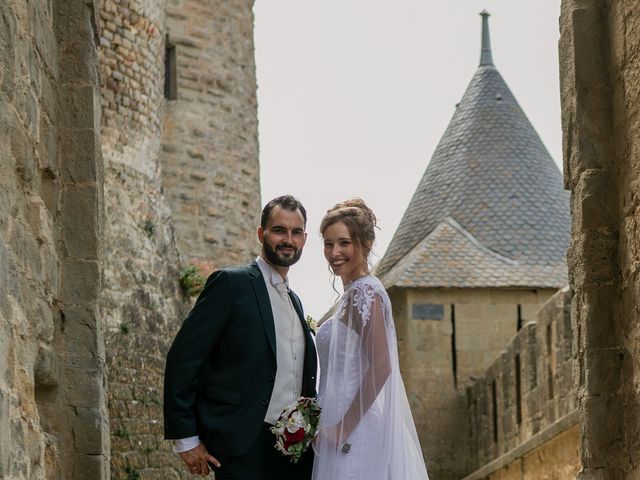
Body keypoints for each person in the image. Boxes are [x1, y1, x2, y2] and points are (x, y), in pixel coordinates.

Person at [163, 195, 318, 479]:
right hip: (241, 446)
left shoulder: (295, 301)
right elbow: (183, 359)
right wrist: (185, 438)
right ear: (261, 234)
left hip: (294, 454)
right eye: (279, 230)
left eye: (296, 232)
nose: (288, 239)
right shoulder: (231, 284)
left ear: (304, 239)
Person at [312, 198, 429, 480]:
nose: (334, 252)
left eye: (344, 243)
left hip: (355, 431)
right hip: (338, 424)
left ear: (364, 244)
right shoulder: (352, 295)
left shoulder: (365, 293)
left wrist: (342, 428)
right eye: (329, 244)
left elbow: (381, 366)